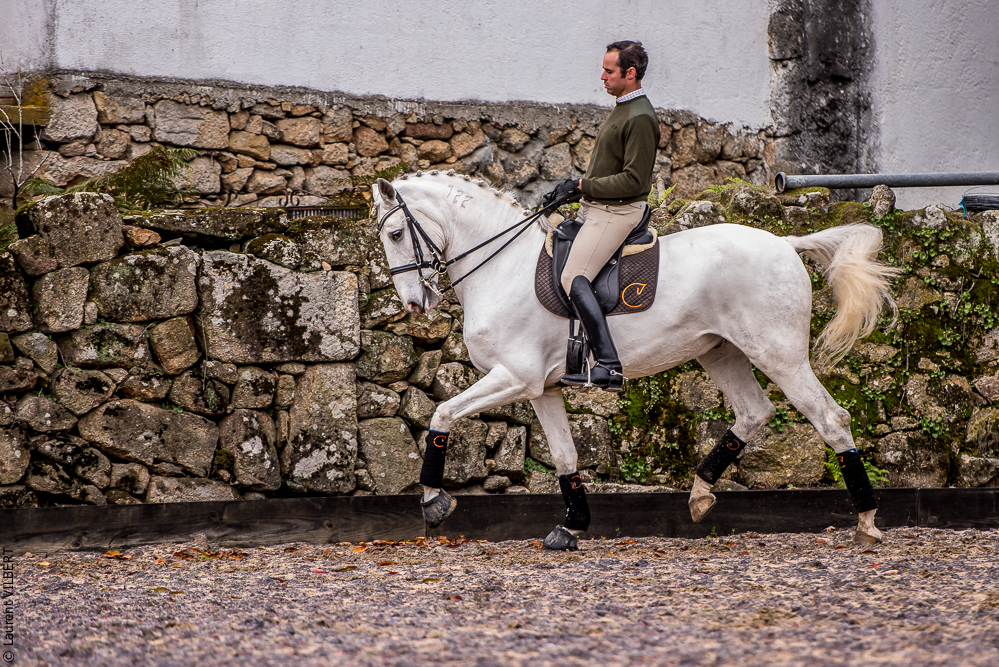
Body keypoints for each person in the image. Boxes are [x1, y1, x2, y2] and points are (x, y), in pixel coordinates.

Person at [543, 40, 660, 391]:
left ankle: (608, 365)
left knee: (573, 276)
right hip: (598, 207)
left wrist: (582, 184)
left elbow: (634, 180)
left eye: (609, 71)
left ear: (630, 73)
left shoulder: (640, 116)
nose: (602, 77)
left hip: (618, 212)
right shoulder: (622, 107)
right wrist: (577, 189)